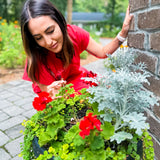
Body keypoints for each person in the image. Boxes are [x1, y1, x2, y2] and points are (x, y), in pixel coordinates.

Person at [20, 0, 133, 99]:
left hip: (75, 76)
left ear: (59, 21)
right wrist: (51, 94)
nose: (48, 42)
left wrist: (123, 33)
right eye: (38, 38)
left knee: (107, 87)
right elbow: (49, 93)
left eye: (50, 31)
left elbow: (102, 52)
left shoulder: (74, 34)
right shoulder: (36, 57)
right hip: (54, 88)